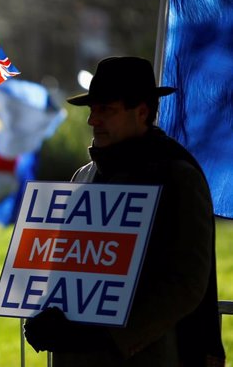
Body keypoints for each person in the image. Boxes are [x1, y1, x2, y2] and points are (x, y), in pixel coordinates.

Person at [23, 56, 226, 366]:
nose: (93, 120)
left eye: (106, 110)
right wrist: (42, 312)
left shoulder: (177, 177)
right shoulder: (82, 176)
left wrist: (111, 336)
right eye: (93, 110)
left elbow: (186, 283)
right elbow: (63, 264)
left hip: (144, 357)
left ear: (142, 111)